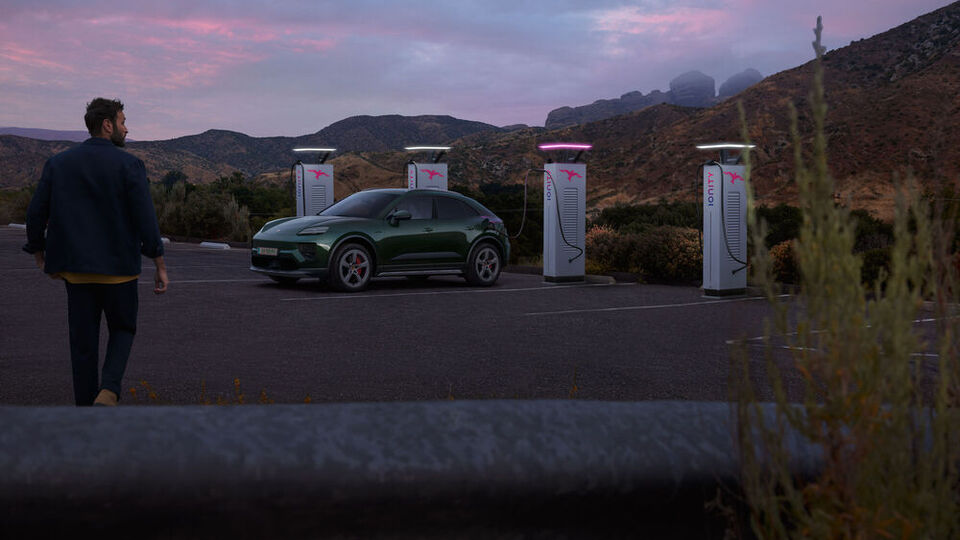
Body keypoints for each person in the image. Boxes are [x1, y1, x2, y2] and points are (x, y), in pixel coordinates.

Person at [22, 98, 169, 407]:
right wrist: (158, 262)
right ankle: (110, 388)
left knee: (83, 345)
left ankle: (85, 412)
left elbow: (36, 212)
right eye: (123, 121)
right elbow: (145, 217)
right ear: (107, 125)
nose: (126, 129)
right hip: (120, 272)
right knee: (124, 328)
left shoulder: (58, 163)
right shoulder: (130, 164)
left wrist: (37, 247)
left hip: (76, 272)